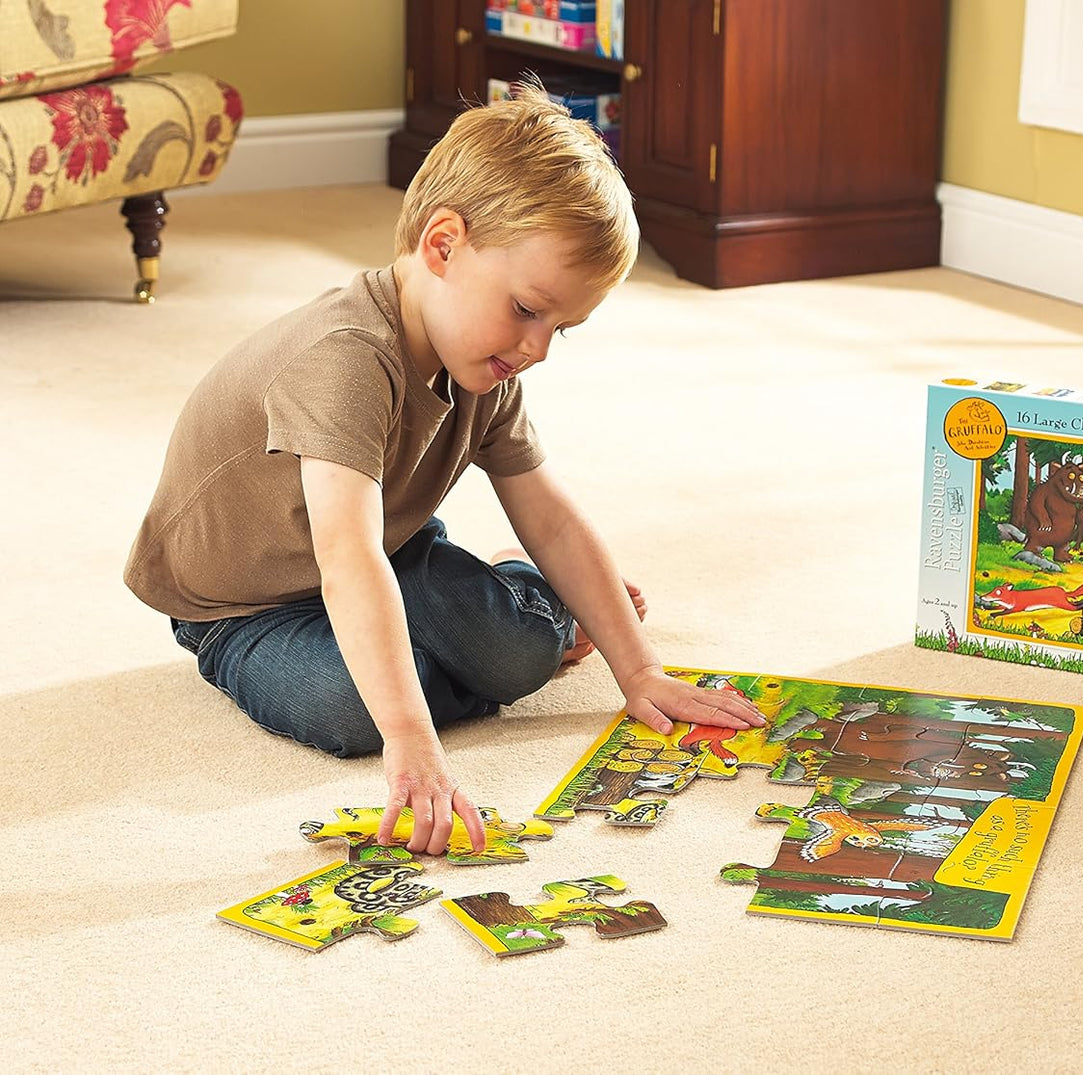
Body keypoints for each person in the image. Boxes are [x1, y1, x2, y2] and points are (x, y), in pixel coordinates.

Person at [123, 84, 765, 859]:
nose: (537, 348)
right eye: (528, 308)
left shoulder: (487, 365)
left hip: (392, 551)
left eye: (563, 328)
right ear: (442, 245)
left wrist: (640, 669)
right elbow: (345, 557)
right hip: (240, 606)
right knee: (350, 712)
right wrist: (411, 741)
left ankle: (509, 598)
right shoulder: (344, 359)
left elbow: (550, 513)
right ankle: (472, 617)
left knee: (519, 654)